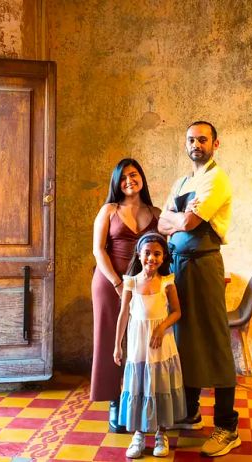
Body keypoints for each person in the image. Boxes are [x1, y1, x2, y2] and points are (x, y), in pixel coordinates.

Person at [158, 121, 239, 457]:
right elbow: (162, 222)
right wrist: (179, 216)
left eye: (202, 139)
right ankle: (190, 411)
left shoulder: (217, 178)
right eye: (191, 139)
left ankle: (226, 426)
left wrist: (178, 218)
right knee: (184, 339)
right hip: (179, 265)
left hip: (204, 264)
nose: (196, 144)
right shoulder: (183, 181)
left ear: (215, 144)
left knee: (214, 341)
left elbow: (188, 223)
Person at [91, 158, 161, 432]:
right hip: (110, 284)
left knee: (140, 342)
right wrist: (119, 284)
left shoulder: (156, 212)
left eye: (133, 175)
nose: (129, 181)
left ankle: (140, 400)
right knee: (111, 340)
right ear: (116, 183)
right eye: (123, 178)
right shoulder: (109, 210)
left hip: (144, 287)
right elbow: (98, 250)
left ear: (141, 177)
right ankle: (114, 402)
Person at [113, 232, 185, 458]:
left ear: (163, 258)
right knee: (139, 386)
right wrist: (117, 345)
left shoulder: (167, 282)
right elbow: (124, 314)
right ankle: (138, 434)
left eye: (157, 254)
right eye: (147, 253)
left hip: (161, 345)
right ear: (138, 254)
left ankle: (161, 433)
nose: (151, 258)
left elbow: (177, 312)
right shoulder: (131, 282)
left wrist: (161, 327)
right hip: (138, 346)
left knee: (160, 385)